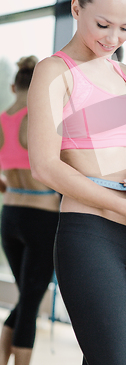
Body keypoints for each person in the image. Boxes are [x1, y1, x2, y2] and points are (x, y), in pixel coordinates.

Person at [27, 0, 126, 365]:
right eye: (102, 25)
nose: (113, 38)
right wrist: (122, 204)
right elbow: (45, 165)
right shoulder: (55, 72)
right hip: (90, 237)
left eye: (125, 28)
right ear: (76, 9)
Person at [0, 56, 60, 365]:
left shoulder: (1, 118)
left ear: (13, 85)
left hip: (9, 217)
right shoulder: (38, 115)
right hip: (42, 217)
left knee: (26, 296)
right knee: (30, 299)